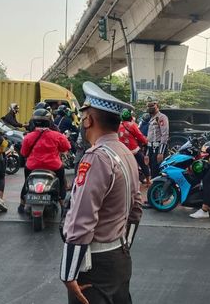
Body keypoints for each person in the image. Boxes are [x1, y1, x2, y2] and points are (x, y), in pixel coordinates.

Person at [60, 81, 142, 304]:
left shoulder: (96, 157)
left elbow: (81, 218)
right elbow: (136, 208)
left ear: (89, 119)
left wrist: (68, 273)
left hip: (94, 264)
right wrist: (124, 245)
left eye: (84, 115)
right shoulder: (125, 152)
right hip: (119, 258)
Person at [19, 108, 71, 214]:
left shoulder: (28, 137)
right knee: (61, 183)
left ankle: (22, 204)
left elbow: (24, 153)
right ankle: (62, 206)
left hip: (32, 166)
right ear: (49, 121)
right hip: (54, 166)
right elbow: (66, 147)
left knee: (26, 183)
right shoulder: (57, 135)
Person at [119, 108, 150, 183]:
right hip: (134, 149)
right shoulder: (132, 125)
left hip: (122, 150)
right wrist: (146, 142)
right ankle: (148, 181)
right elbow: (139, 136)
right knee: (143, 163)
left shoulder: (118, 126)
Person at [146, 97, 169, 178]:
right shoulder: (151, 118)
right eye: (149, 106)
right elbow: (150, 137)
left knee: (158, 172)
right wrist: (147, 154)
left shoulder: (162, 117)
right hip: (151, 148)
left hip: (158, 148)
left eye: (152, 105)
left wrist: (161, 152)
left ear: (157, 105)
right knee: (153, 171)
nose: (150, 108)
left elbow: (165, 134)